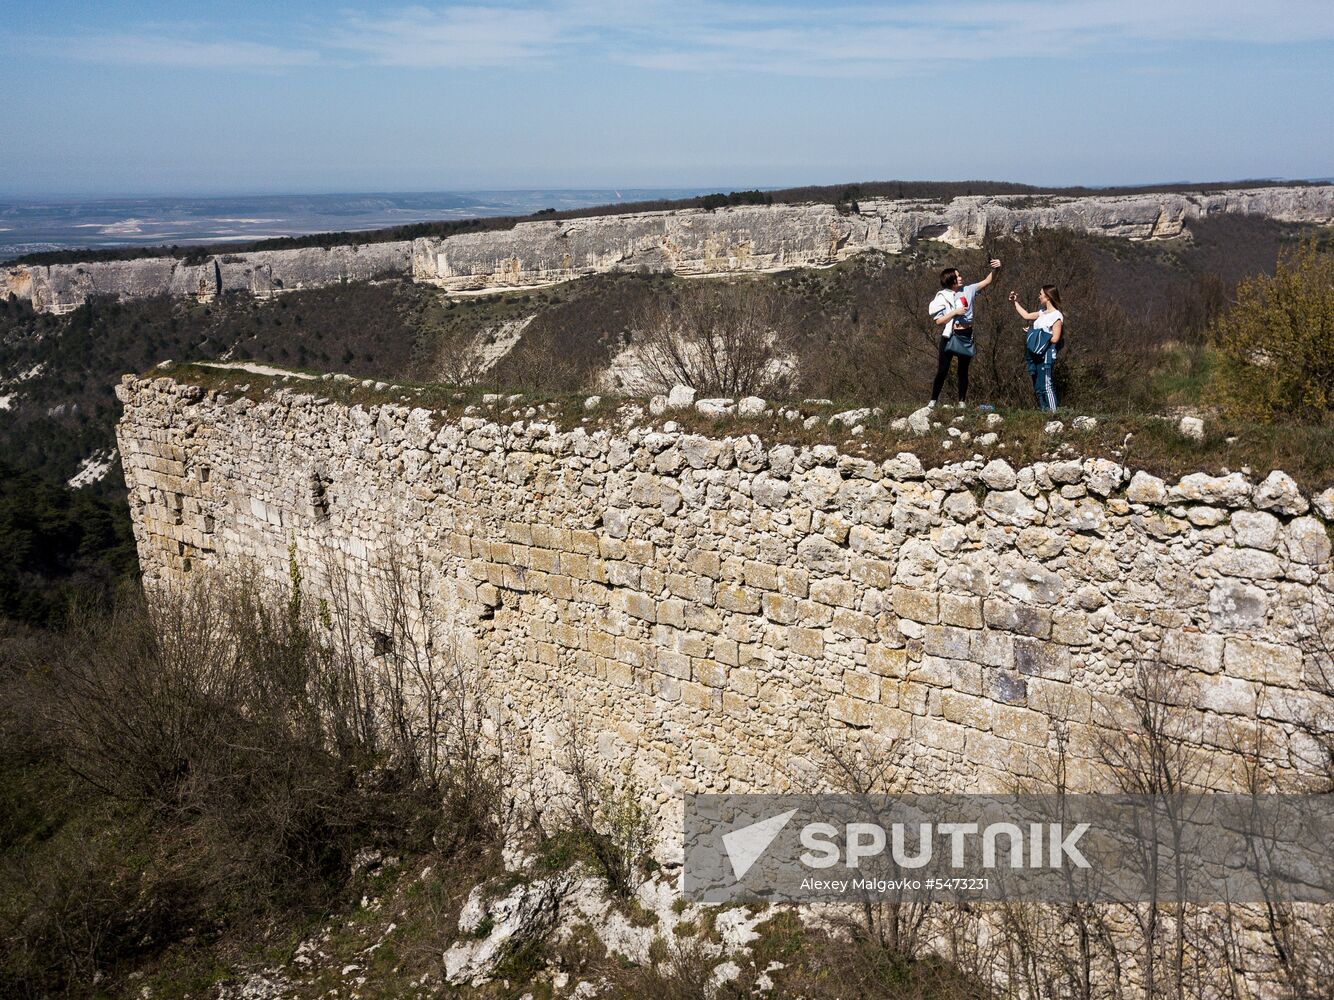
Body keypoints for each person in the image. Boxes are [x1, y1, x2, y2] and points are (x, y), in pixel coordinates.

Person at [927, 258, 1002, 408]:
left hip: (966, 335)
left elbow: (987, 281)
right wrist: (955, 312)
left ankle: (962, 402)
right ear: (950, 280)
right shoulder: (942, 296)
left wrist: (997, 269)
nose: (961, 277)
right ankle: (933, 401)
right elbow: (939, 321)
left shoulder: (969, 289)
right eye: (957, 276)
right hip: (950, 335)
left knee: (963, 371)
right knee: (942, 370)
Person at [1009, 285, 1064, 412]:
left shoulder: (1056, 315)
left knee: (1047, 385)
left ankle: (1053, 414)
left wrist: (1037, 334)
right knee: (1038, 386)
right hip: (1034, 354)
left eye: (1041, 294)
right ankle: (1044, 412)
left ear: (1048, 296)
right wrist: (1015, 302)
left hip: (1046, 354)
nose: (1039, 296)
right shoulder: (1042, 313)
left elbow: (1055, 338)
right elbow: (1026, 316)